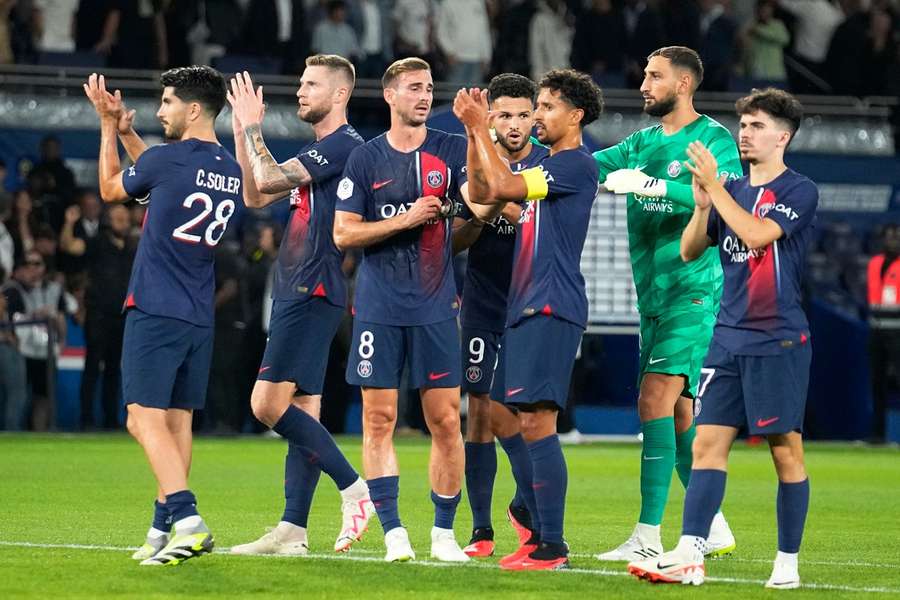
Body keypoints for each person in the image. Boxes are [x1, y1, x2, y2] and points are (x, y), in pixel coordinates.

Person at [630, 87, 816, 589]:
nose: (746, 133)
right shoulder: (728, 187)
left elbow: (756, 236)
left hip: (777, 338)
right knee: (707, 446)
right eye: (744, 124)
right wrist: (699, 205)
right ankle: (690, 553)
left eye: (757, 126)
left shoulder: (799, 190)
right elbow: (692, 250)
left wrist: (718, 189)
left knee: (785, 451)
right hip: (727, 338)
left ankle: (787, 563)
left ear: (784, 136)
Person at [83, 65, 241, 566]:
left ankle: (189, 520)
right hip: (197, 312)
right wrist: (130, 132)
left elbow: (112, 190)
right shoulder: (229, 168)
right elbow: (160, 174)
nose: (160, 111)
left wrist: (109, 126)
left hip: (155, 305)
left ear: (193, 109)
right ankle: (161, 531)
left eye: (168, 102)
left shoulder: (171, 161)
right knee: (177, 424)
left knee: (140, 418)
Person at [593, 46, 741, 562]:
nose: (643, 84)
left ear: (683, 84)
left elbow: (722, 196)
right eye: (643, 74)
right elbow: (584, 169)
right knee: (678, 415)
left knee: (654, 400)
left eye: (654, 76)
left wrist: (657, 184)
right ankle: (715, 524)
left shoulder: (713, 139)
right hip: (651, 294)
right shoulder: (641, 141)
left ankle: (647, 536)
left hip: (693, 289)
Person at [453, 67, 604, 571]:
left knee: (539, 421)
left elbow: (497, 184)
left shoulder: (576, 165)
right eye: (533, 107)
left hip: (550, 303)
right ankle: (528, 508)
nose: (537, 116)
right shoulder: (553, 169)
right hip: (524, 306)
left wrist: (478, 127)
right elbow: (488, 190)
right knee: (505, 413)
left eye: (545, 107)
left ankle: (551, 544)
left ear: (575, 115)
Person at [226, 55, 373, 557]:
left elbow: (267, 180)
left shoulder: (343, 145)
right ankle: (293, 529)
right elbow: (254, 193)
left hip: (311, 286)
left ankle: (355, 489)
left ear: (339, 95)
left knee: (265, 405)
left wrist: (251, 128)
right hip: (304, 285)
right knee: (304, 409)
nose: (301, 91)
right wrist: (245, 135)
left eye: (311, 84)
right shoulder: (318, 152)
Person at [333, 57, 469, 563]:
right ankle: (394, 533)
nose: (425, 96)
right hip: (378, 307)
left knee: (446, 422)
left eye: (429, 88)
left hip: (436, 305)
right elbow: (344, 232)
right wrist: (405, 220)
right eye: (414, 88)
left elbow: (481, 197)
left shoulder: (453, 149)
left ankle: (443, 533)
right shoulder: (365, 160)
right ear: (390, 95)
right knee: (379, 419)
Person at [451, 73, 548, 559]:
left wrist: (495, 198)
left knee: (526, 414)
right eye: (503, 115)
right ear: (488, 117)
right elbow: (454, 242)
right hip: (484, 302)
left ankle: (528, 505)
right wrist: (482, 212)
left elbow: (537, 223)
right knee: (480, 413)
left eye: (522, 114)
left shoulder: (550, 165)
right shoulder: (470, 162)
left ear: (536, 115)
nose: (514, 124)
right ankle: (482, 529)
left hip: (533, 305)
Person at [59, 202, 134, 430]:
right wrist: (69, 223)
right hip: (98, 314)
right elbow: (70, 246)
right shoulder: (98, 243)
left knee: (114, 368)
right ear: (108, 221)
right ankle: (87, 419)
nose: (122, 222)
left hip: (123, 316)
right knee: (93, 366)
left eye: (125, 218)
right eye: (117, 218)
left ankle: (111, 420)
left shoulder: (134, 246)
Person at [867, 223, 900, 444]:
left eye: (896, 237)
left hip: (898, 333)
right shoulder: (875, 263)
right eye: (889, 237)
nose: (892, 240)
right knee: (877, 384)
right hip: (877, 331)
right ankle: (878, 435)